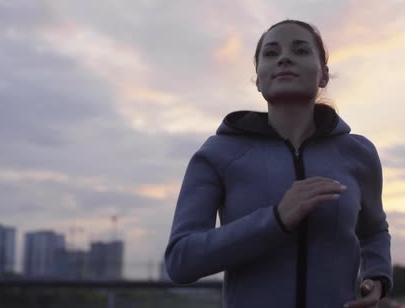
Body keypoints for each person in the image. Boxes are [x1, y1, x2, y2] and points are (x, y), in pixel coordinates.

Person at [164, 19, 392, 308]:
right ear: (258, 78)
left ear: (323, 75)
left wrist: (378, 277)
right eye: (271, 53)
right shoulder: (217, 154)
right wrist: (276, 219)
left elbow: (374, 231)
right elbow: (181, 260)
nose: (284, 58)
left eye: (300, 50)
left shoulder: (358, 153)